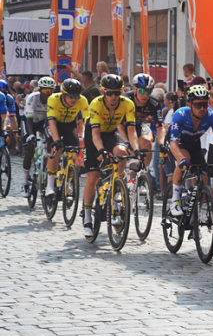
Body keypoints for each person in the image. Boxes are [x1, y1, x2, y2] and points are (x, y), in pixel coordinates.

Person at [83, 75, 141, 237]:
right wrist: (100, 150)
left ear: (121, 91)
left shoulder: (127, 104)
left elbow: (131, 131)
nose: (113, 96)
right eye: (109, 93)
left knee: (122, 153)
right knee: (93, 176)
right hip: (93, 134)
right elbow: (95, 134)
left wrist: (136, 150)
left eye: (116, 92)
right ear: (103, 92)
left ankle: (117, 184)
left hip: (111, 133)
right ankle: (87, 218)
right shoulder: (96, 103)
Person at [167, 85, 213, 216]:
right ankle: (174, 200)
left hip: (194, 143)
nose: (202, 108)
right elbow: (174, 143)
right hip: (176, 142)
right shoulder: (180, 114)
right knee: (185, 158)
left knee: (204, 176)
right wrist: (181, 159)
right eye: (198, 105)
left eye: (205, 104)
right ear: (189, 104)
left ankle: (194, 213)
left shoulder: (211, 116)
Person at [45, 78, 89, 198]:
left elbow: (87, 120)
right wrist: (57, 141)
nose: (74, 99)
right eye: (71, 96)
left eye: (76, 96)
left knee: (74, 153)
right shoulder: (53, 99)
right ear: (63, 94)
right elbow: (52, 122)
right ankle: (49, 185)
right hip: (54, 124)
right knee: (57, 149)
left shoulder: (82, 100)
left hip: (70, 125)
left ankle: (68, 183)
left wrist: (87, 136)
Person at [20, 77, 56, 196]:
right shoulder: (32, 98)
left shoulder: (53, 99)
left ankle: (45, 169)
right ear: (40, 90)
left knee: (51, 142)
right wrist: (30, 135)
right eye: (45, 91)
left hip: (42, 123)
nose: (47, 94)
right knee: (30, 149)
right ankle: (24, 182)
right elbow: (29, 119)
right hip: (29, 121)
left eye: (50, 91)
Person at [127, 73, 165, 172]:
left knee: (147, 142)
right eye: (142, 91)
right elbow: (119, 125)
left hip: (138, 125)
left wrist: (162, 144)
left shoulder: (154, 103)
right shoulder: (126, 100)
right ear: (134, 89)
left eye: (149, 91)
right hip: (122, 127)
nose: (145, 95)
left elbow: (160, 127)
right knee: (124, 149)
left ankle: (143, 173)